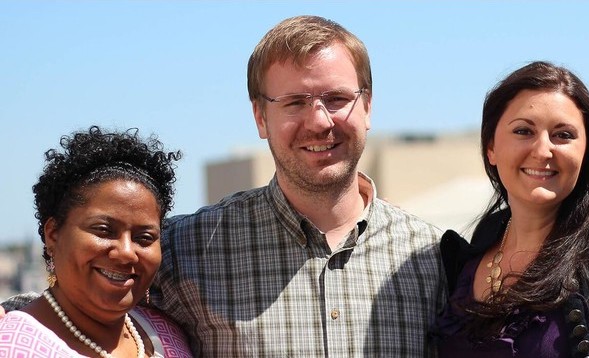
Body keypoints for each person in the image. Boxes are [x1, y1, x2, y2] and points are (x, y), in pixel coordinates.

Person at [149, 15, 446, 356]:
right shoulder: (183, 250)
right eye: (294, 102)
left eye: (336, 99)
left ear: (366, 106)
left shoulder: (432, 258)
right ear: (260, 117)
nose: (319, 121)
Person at [437, 61, 589, 357]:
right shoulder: (474, 249)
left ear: (586, 152)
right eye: (523, 131)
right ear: (490, 147)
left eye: (563, 135)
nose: (543, 150)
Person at [0, 126, 192, 357]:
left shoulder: (166, 334)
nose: (126, 252)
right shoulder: (13, 347)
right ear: (53, 234)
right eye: (104, 230)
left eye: (144, 238)